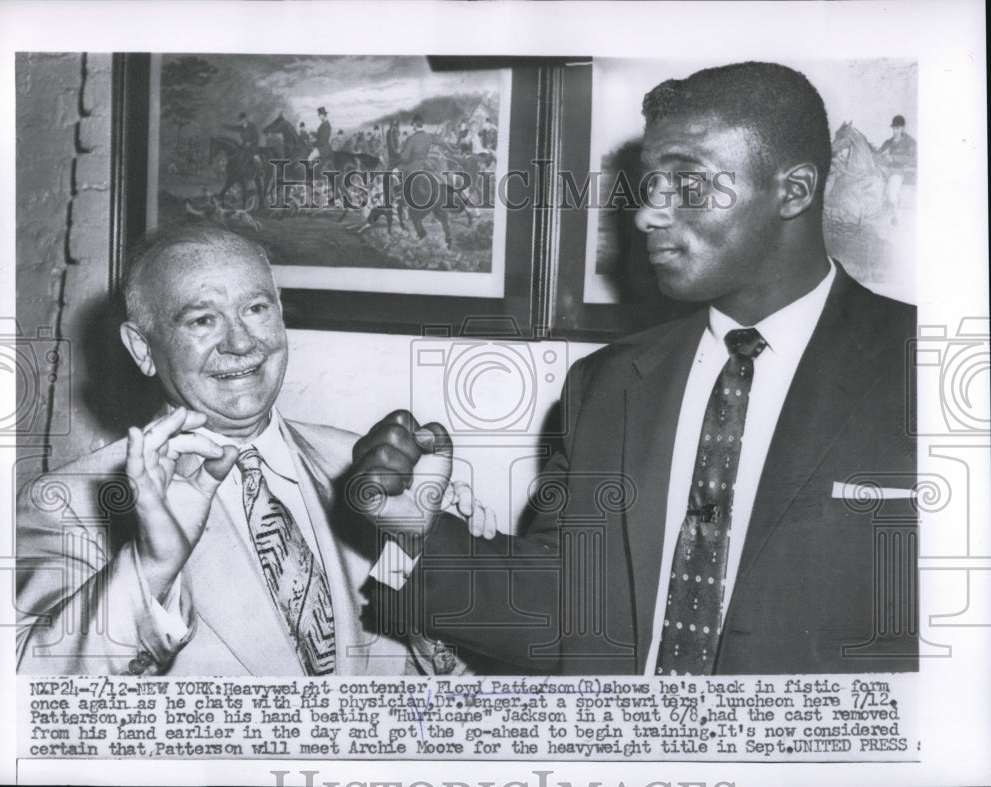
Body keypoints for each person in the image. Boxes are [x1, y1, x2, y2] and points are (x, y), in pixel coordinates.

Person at [349, 62, 918, 676]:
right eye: (651, 185)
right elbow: (563, 613)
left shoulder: (930, 367)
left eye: (688, 184)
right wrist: (411, 533)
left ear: (795, 190)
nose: (648, 214)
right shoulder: (607, 384)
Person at [15, 224, 479, 676]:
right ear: (142, 348)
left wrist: (425, 548)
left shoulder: (359, 466)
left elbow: (450, 679)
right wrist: (151, 568)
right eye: (202, 319)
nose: (241, 343)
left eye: (256, 308)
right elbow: (27, 697)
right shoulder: (70, 504)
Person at [878, 114, 917, 215]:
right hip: (887, 170)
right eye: (893, 128)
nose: (895, 131)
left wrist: (893, 158)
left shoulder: (911, 142)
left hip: (901, 171)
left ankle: (895, 213)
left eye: (897, 128)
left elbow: (911, 159)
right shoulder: (889, 142)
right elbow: (879, 153)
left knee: (892, 186)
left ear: (903, 128)